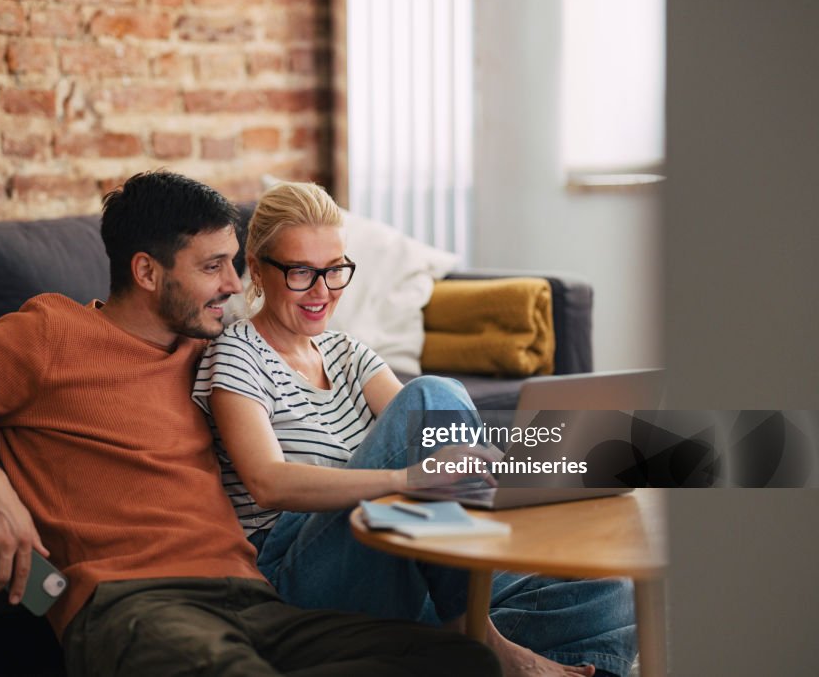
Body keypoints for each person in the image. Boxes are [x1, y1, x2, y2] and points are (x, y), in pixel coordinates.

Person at [0, 171, 500, 677]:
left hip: (255, 600)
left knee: (462, 661)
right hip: (132, 602)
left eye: (234, 262)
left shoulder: (216, 354)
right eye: (213, 266)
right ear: (146, 272)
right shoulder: (49, 335)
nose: (234, 285)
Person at [193, 181, 638, 677]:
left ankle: (458, 650)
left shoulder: (347, 353)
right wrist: (409, 480)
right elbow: (268, 482)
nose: (323, 292)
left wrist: (539, 471)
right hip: (300, 576)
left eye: (336, 270)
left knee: (608, 591)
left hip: (398, 558)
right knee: (431, 393)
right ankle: (483, 644)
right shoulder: (236, 353)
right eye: (302, 273)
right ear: (257, 269)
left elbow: (447, 442)